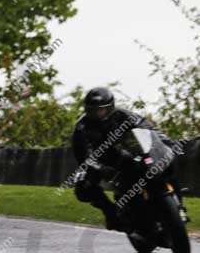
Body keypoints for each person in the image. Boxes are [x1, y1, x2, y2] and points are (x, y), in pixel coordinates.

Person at [71, 87, 183, 230]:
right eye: (92, 110)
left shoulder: (123, 115)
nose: (97, 114)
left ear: (110, 107)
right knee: (83, 186)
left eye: (101, 110)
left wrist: (168, 142)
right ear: (87, 109)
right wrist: (101, 169)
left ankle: (178, 205)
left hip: (129, 154)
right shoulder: (82, 127)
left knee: (166, 161)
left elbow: (149, 129)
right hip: (103, 163)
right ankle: (110, 212)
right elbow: (84, 157)